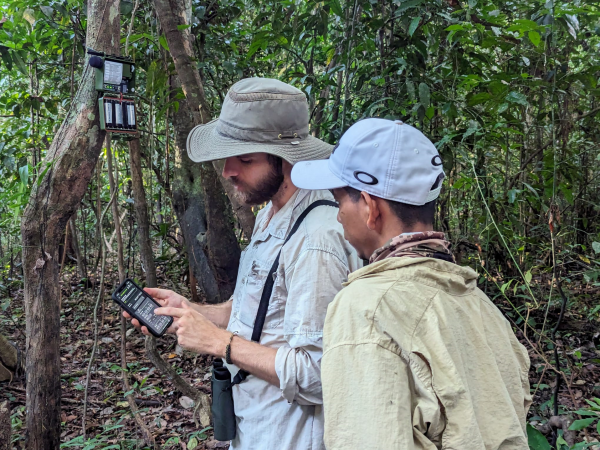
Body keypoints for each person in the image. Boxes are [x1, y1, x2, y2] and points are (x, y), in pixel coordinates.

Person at [124, 77, 361, 450]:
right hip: (257, 423)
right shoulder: (272, 213)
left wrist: (218, 342)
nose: (228, 170)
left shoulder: (316, 239)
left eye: (246, 158)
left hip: (292, 435)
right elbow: (258, 311)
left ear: (286, 159)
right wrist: (190, 312)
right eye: (228, 155)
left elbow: (317, 375)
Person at [291, 118, 532, 450]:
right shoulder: (479, 303)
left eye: (339, 201)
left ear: (370, 208)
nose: (337, 215)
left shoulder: (365, 307)